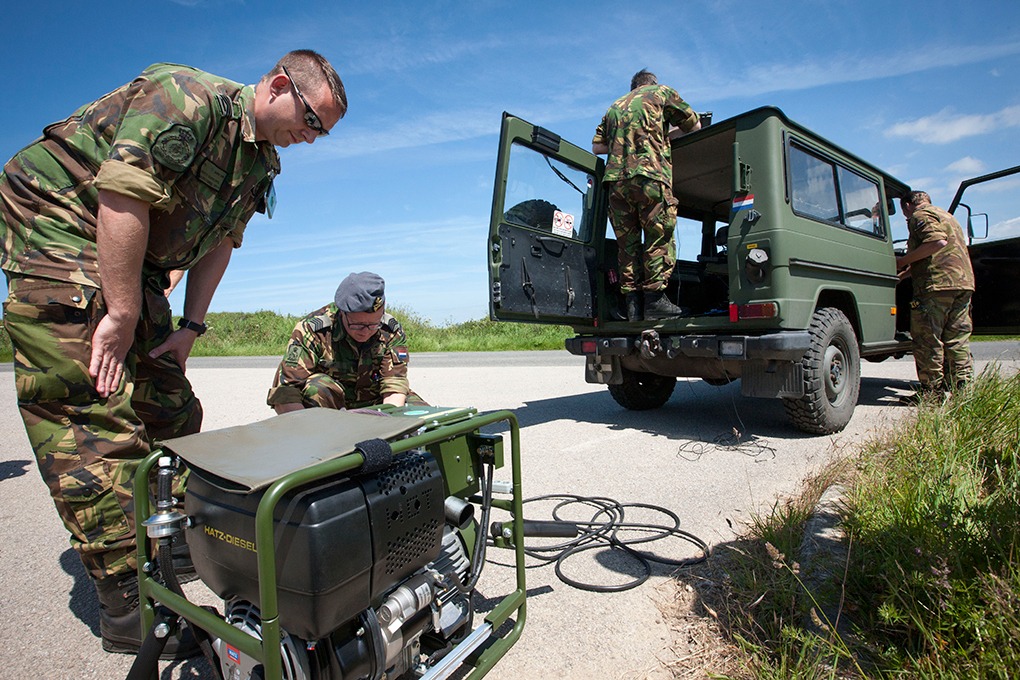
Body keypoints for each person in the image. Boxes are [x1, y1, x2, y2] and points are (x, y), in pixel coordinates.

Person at [0, 50, 347, 658]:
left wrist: (190, 325)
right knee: (91, 409)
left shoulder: (261, 162)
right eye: (311, 121)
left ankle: (172, 535)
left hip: (134, 254)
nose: (311, 138)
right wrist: (120, 314)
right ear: (278, 85)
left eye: (322, 132)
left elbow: (221, 242)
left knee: (170, 404)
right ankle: (130, 603)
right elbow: (122, 195)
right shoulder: (185, 96)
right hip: (61, 223)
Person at [592, 69, 701, 322]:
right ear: (651, 83)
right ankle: (654, 302)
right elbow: (694, 125)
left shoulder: (614, 107)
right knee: (657, 235)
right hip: (649, 176)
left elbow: (597, 147)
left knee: (627, 245)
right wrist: (663, 136)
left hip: (617, 183)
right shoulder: (661, 93)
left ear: (633, 86)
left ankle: (632, 306)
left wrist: (623, 144)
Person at [268, 272, 427, 413]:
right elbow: (286, 394)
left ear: (383, 308)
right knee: (316, 387)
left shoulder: (390, 330)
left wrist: (387, 424)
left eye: (373, 325)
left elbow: (394, 388)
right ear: (342, 311)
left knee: (427, 417)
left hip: (375, 402)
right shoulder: (313, 330)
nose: (365, 332)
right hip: (330, 408)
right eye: (357, 324)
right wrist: (305, 430)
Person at [896, 191, 975, 403]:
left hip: (935, 287)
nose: (905, 216)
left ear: (907, 205)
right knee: (957, 340)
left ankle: (931, 394)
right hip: (962, 284)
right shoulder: (948, 217)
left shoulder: (919, 215)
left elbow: (937, 243)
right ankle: (964, 393)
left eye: (904, 211)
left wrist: (902, 261)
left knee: (927, 340)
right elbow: (935, 254)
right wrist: (904, 275)